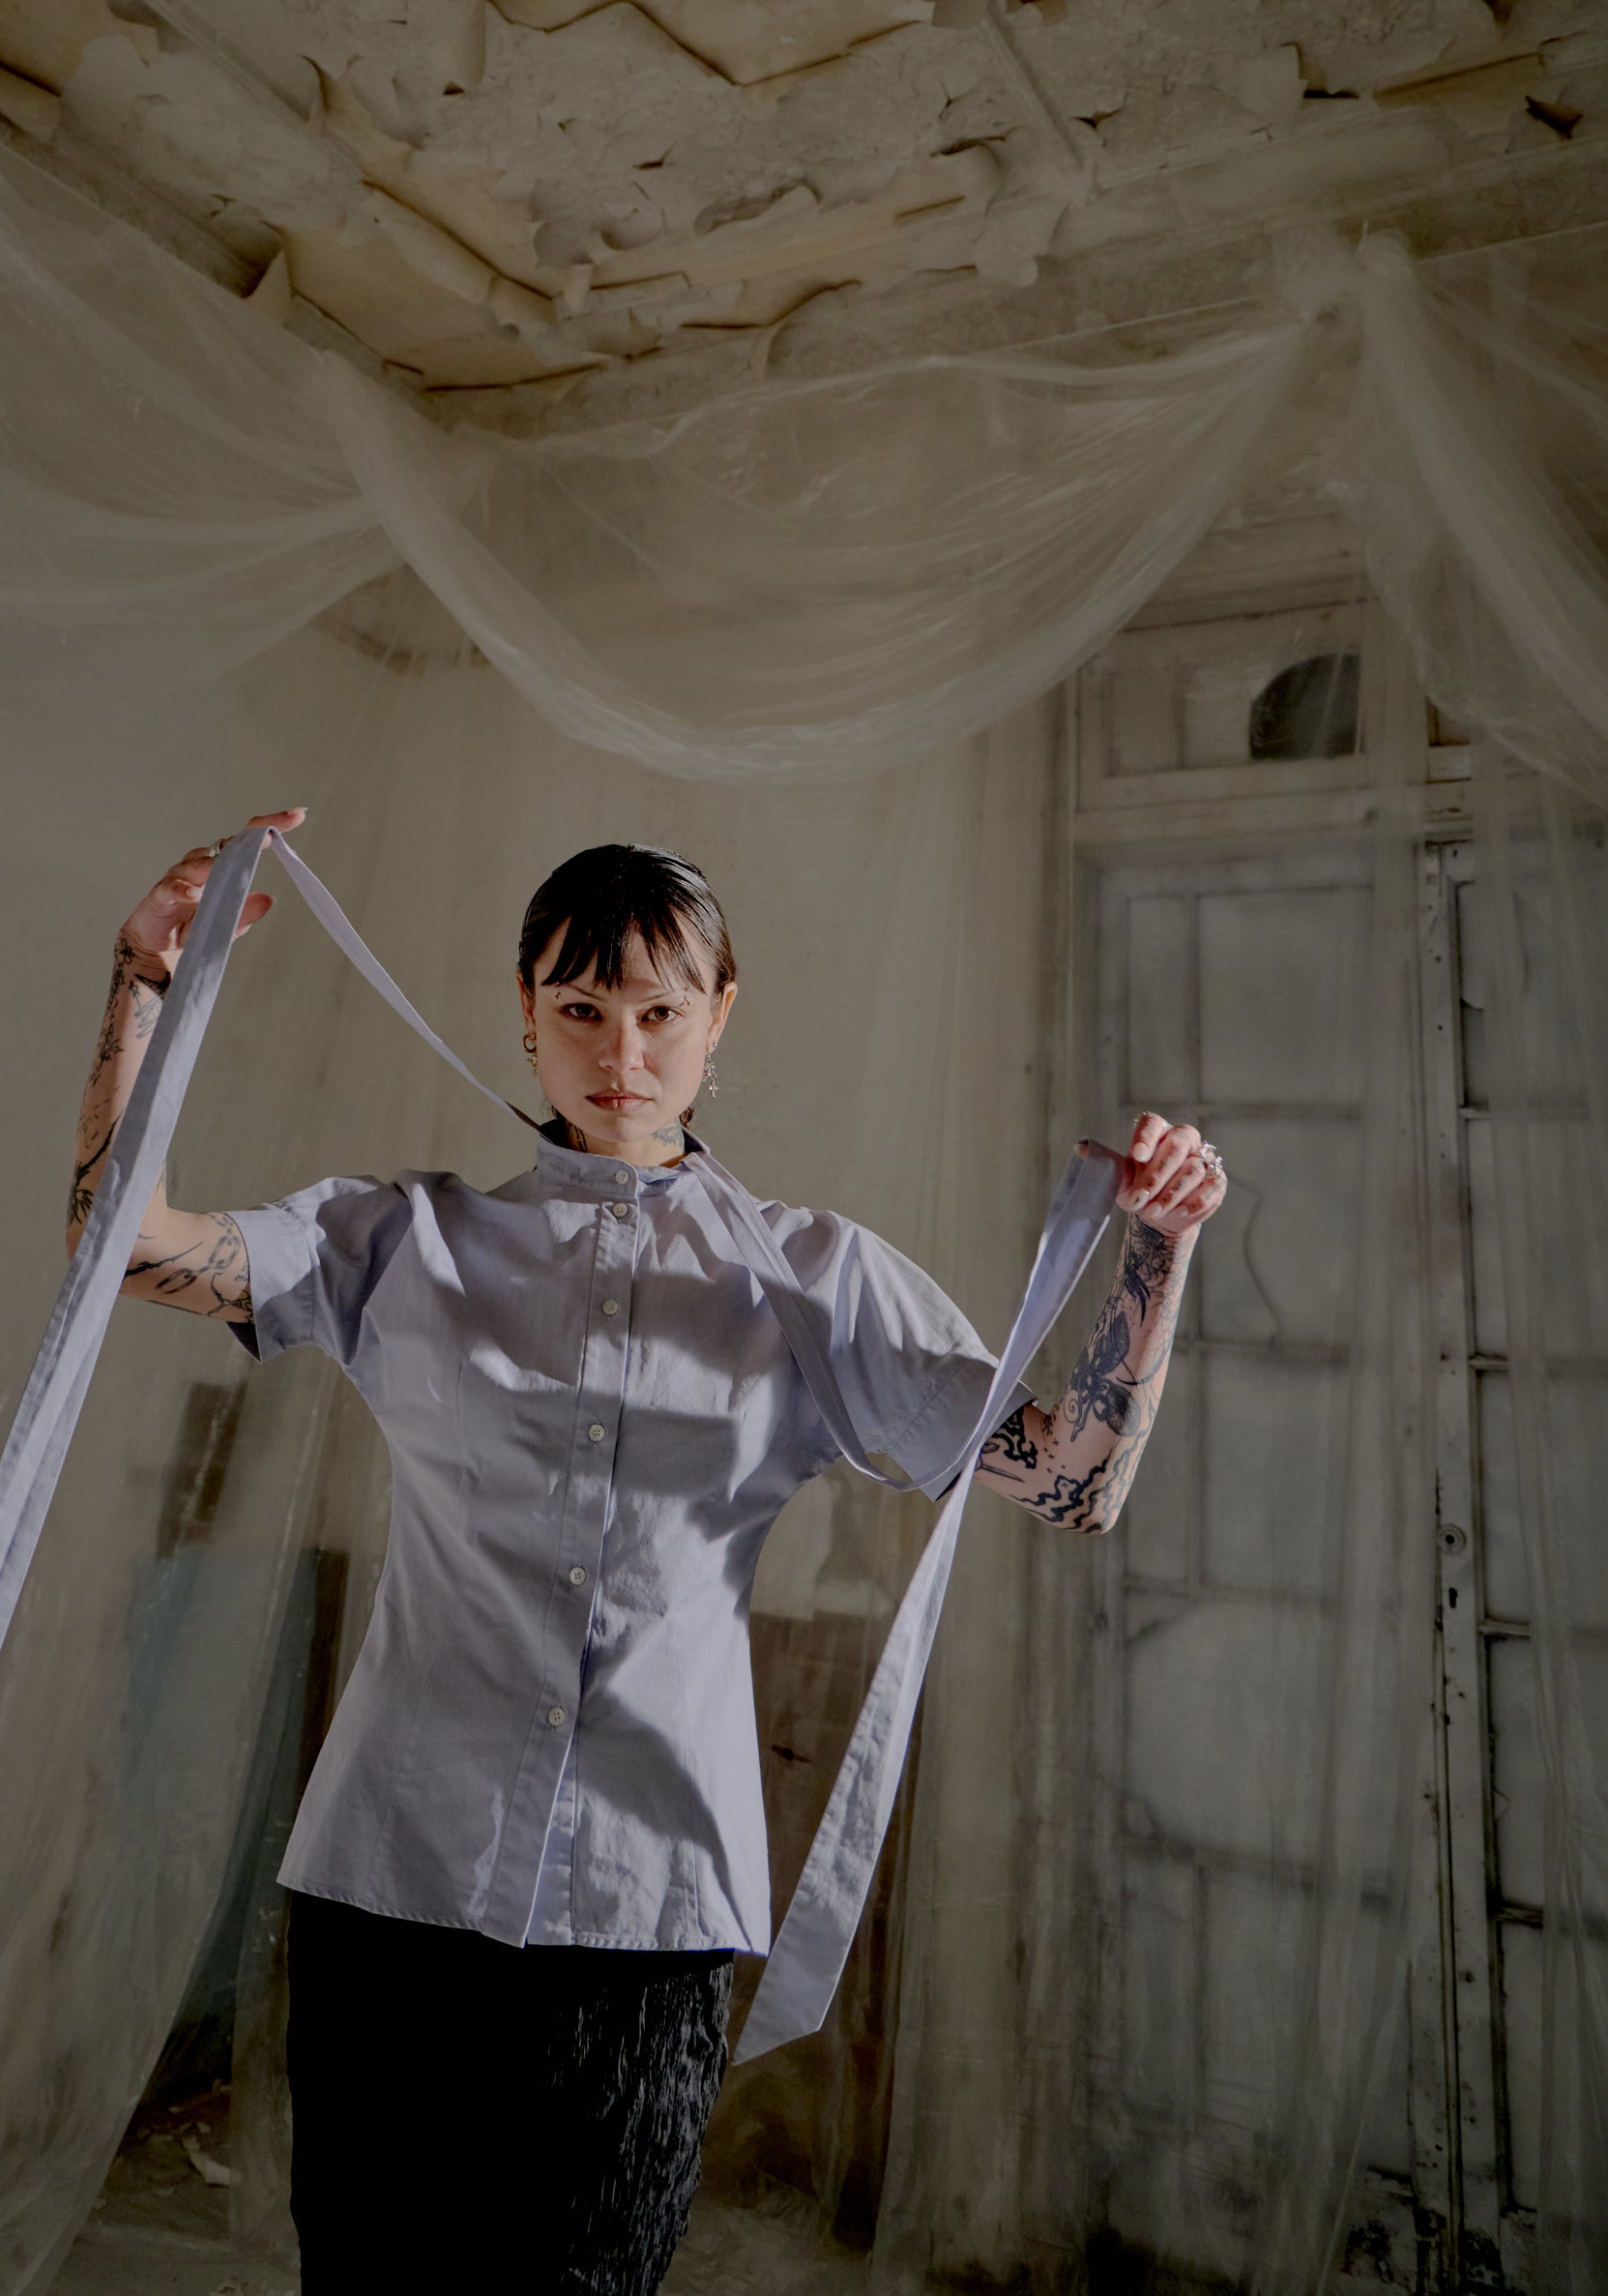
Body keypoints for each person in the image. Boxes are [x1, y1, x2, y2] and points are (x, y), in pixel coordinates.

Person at [67, 810, 1225, 2293]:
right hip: (389, 1886)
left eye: (661, 1010)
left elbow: (1073, 1485)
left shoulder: (814, 1283)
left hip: (650, 1904)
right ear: (526, 1015)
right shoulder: (401, 1243)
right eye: (581, 1009)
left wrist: (1158, 1244)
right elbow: (119, 1240)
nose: (623, 1048)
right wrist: (142, 982)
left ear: (719, 1017)